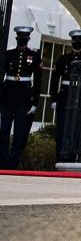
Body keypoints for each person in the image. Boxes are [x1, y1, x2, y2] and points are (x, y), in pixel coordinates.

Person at [1, 26, 42, 169]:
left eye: (24, 38)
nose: (22, 40)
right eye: (20, 37)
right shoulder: (8, 54)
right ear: (16, 38)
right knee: (4, 131)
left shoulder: (34, 56)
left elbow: (38, 81)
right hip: (7, 96)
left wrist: (35, 102)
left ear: (28, 39)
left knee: (19, 133)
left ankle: (12, 163)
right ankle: (3, 161)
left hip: (24, 98)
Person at [51, 29, 81, 156]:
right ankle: (60, 156)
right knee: (62, 128)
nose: (77, 42)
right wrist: (54, 99)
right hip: (65, 96)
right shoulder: (63, 59)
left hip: (80, 95)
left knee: (77, 129)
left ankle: (75, 156)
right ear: (72, 41)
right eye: (75, 39)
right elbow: (55, 80)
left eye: (80, 39)